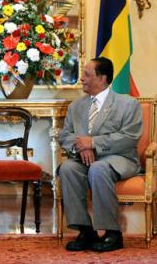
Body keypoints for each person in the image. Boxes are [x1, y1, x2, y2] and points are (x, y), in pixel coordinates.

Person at [58, 57, 143, 252]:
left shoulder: (128, 104)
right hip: (83, 158)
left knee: (98, 168)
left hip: (120, 158)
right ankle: (85, 231)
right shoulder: (76, 106)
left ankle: (113, 233)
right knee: (68, 168)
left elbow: (129, 137)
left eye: (87, 74)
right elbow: (65, 135)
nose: (82, 79)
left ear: (102, 78)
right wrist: (83, 146)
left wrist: (94, 143)